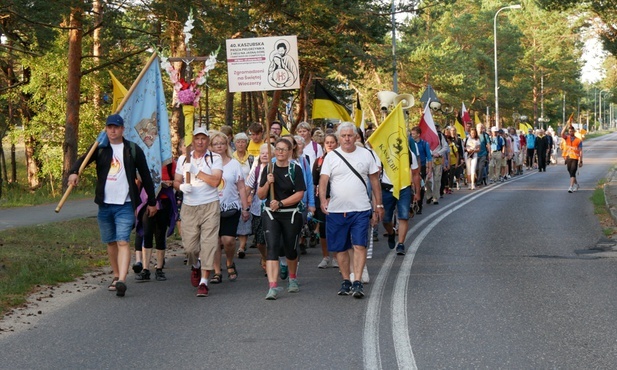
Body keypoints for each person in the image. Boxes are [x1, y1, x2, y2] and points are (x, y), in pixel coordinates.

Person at [67, 114, 158, 297]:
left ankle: (122, 280)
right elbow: (83, 160)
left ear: (122, 129)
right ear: (106, 129)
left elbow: (146, 176)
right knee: (110, 242)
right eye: (109, 127)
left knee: (123, 240)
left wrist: (152, 201)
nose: (113, 130)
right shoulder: (100, 148)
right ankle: (116, 275)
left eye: (116, 127)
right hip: (105, 204)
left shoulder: (132, 149)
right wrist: (74, 172)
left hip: (125, 203)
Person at [319, 122, 384, 299]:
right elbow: (324, 180)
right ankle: (346, 280)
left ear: (356, 137)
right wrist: (323, 199)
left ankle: (357, 281)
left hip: (361, 209)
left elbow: (375, 181)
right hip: (337, 210)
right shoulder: (331, 157)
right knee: (340, 248)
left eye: (350, 135)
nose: (347, 138)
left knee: (359, 245)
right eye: (343, 136)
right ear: (339, 138)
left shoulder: (366, 154)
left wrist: (378, 205)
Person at [174, 126, 223, 297]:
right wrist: (181, 186)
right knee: (190, 247)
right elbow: (176, 180)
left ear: (208, 141)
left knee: (209, 244)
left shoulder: (214, 158)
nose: (200, 142)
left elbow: (215, 181)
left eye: (203, 138)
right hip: (189, 206)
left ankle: (204, 281)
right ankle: (195, 265)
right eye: (197, 138)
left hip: (209, 205)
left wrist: (197, 172)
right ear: (192, 141)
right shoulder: (183, 159)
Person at [257, 138, 306, 300]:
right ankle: (272, 286)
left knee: (290, 248)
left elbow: (299, 194)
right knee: (272, 247)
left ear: (290, 151)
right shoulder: (269, 169)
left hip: (291, 213)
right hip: (271, 213)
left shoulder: (295, 169)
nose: (280, 152)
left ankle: (292, 278)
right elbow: (261, 195)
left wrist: (281, 203)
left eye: (283, 149)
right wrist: (267, 183)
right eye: (277, 149)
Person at [209, 131, 250, 283]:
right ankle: (217, 271)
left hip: (231, 207)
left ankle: (229, 261)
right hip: (211, 208)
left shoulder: (234, 164)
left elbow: (241, 187)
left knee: (228, 241)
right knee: (214, 241)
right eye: (215, 144)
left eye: (222, 143)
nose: (219, 146)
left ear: (227, 145)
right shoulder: (207, 163)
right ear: (211, 146)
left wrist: (245, 208)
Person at [133, 162, 178, 282]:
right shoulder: (146, 160)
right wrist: (135, 205)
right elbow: (138, 181)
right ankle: (146, 269)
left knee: (160, 234)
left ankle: (159, 269)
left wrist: (170, 183)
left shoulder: (170, 163)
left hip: (164, 201)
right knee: (147, 233)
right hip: (147, 201)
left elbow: (177, 180)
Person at [381, 146, 422, 256]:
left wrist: (417, 192)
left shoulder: (409, 154)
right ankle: (391, 232)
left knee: (403, 216)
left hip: (404, 188)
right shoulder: (383, 151)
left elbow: (415, 173)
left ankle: (400, 244)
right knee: (385, 219)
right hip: (387, 188)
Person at [245, 144, 272, 274]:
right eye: (262, 153)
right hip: (257, 209)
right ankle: (265, 257)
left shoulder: (276, 168)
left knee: (272, 239)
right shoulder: (256, 170)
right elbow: (247, 187)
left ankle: (272, 262)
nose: (265, 155)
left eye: (268, 153)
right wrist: (244, 204)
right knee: (260, 242)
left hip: (273, 210)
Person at [313, 133, 339, 269]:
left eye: (332, 142)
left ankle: (336, 257)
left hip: (337, 199)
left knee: (335, 229)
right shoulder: (319, 161)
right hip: (322, 200)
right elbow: (314, 183)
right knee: (323, 229)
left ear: (337, 143)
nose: (329, 144)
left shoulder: (341, 159)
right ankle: (325, 256)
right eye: (327, 142)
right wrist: (313, 203)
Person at [232, 132, 254, 258]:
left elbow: (253, 176)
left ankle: (241, 246)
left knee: (244, 218)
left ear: (247, 143)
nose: (241, 144)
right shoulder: (230, 158)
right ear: (234, 144)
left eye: (243, 141)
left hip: (247, 192)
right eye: (238, 142)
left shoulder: (251, 159)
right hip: (232, 192)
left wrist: (250, 192)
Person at [408, 126, 432, 214]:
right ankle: (411, 204)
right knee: (411, 185)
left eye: (414, 134)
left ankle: (419, 204)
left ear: (418, 134)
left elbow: (429, 158)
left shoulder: (425, 144)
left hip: (421, 166)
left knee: (420, 186)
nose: (412, 135)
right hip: (411, 167)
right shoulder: (410, 143)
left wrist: (429, 170)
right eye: (411, 134)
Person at [425, 124, 448, 205]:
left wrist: (438, 153)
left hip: (437, 159)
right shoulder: (425, 136)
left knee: (437, 178)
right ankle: (429, 195)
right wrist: (430, 153)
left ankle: (435, 197)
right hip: (428, 159)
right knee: (427, 178)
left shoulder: (440, 136)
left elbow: (446, 147)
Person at [561, 124, 583, 193]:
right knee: (570, 172)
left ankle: (571, 187)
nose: (571, 132)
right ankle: (576, 184)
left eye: (572, 131)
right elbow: (562, 133)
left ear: (574, 132)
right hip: (568, 157)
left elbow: (580, 151)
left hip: (575, 158)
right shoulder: (566, 138)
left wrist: (581, 160)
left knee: (573, 171)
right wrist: (566, 125)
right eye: (570, 131)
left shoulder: (578, 140)